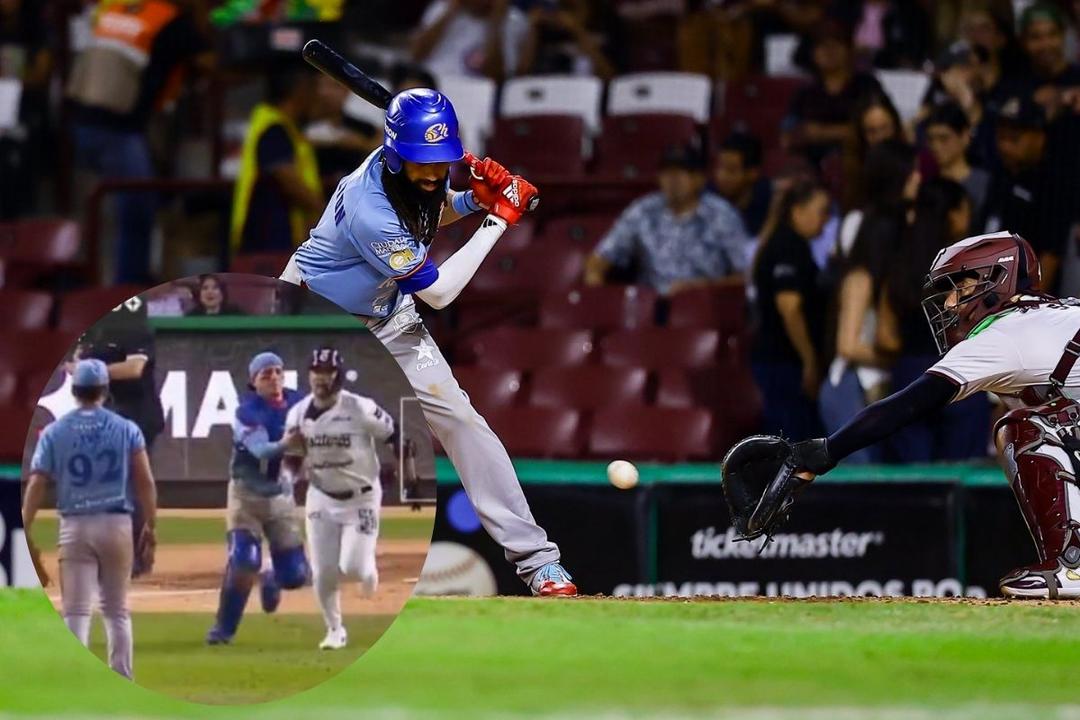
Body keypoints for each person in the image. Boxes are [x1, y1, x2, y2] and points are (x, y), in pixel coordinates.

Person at [280, 88, 577, 596]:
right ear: (395, 155)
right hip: (315, 325)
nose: (434, 172)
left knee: (461, 420)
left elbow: (427, 214)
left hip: (388, 318)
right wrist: (498, 218)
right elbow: (438, 293)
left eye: (441, 161)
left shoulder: (417, 174)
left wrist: (472, 200)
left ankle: (538, 561)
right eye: (423, 161)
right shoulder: (368, 205)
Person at [765, 231, 1080, 598]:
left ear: (997, 279)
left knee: (1025, 428)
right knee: (1053, 419)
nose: (949, 302)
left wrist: (823, 453)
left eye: (960, 286)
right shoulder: (1056, 313)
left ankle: (1071, 563)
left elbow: (909, 404)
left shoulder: (1005, 333)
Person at [22, 359, 157, 678]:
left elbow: (38, 482)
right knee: (117, 611)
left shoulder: (54, 431)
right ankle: (122, 677)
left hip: (75, 526)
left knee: (76, 611)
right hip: (117, 523)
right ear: (105, 390)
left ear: (74, 390)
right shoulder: (126, 428)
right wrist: (151, 524)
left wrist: (24, 526)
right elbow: (145, 481)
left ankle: (77, 680)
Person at [66, 0, 212, 283]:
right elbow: (210, 62)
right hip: (116, 128)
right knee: (137, 208)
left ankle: (100, 282)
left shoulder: (117, 7)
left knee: (103, 210)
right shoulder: (171, 20)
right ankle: (127, 287)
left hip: (80, 120)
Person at [283, 347, 396, 650]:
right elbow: (293, 458)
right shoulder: (298, 413)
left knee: (354, 567)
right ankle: (335, 629)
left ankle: (368, 570)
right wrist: (288, 478)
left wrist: (401, 468)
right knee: (323, 572)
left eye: (327, 372)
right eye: (316, 371)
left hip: (361, 498)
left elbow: (393, 433)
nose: (320, 378)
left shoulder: (360, 408)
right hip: (320, 496)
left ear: (339, 375)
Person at [875, 178, 989, 462]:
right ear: (953, 215)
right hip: (962, 374)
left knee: (914, 480)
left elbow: (885, 337)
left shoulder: (901, 262)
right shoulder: (972, 268)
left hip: (910, 377)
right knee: (962, 476)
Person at [206, 352, 310, 645]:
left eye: (278, 371)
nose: (274, 378)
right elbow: (261, 450)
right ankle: (224, 629)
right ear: (254, 382)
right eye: (266, 374)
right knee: (243, 560)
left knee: (295, 576)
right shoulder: (247, 412)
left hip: (281, 496)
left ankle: (272, 576)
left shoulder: (300, 403)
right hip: (247, 495)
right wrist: (287, 442)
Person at [585, 140, 749, 295]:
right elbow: (598, 260)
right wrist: (598, 292)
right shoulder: (643, 211)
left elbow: (744, 277)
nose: (673, 180)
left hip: (704, 303)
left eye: (681, 173)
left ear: (699, 179)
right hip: (651, 305)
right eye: (667, 173)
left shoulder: (722, 215)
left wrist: (702, 287)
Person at [73, 301, 165, 578]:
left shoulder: (136, 329)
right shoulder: (93, 333)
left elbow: (134, 368)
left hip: (138, 414)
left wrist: (93, 372)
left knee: (131, 484)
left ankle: (134, 556)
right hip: (106, 414)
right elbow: (76, 363)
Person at [751, 178, 832, 442]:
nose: (825, 219)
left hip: (780, 361)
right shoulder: (788, 246)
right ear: (797, 211)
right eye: (821, 211)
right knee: (789, 442)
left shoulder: (787, 243)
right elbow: (790, 308)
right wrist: (809, 360)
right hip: (784, 363)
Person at [230, 63, 324, 255]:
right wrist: (326, 213)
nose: (318, 97)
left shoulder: (284, 128)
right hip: (268, 243)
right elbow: (289, 180)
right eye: (313, 88)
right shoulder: (274, 129)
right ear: (300, 90)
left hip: (277, 242)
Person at [984, 94, 1075, 290]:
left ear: (1040, 138)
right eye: (1001, 137)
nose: (1004, 146)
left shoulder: (1052, 183)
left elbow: (1050, 256)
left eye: (1013, 138)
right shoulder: (1000, 174)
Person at [785, 18, 883, 167]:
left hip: (861, 160)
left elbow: (877, 129)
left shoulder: (867, 85)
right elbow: (787, 135)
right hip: (812, 165)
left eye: (836, 44)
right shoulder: (804, 91)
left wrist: (823, 133)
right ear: (812, 53)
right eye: (822, 45)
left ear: (848, 49)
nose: (829, 51)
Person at [410, 0, 529, 80]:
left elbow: (497, 78)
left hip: (475, 96)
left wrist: (495, 24)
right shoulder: (440, 8)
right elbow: (416, 56)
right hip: (432, 85)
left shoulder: (513, 21)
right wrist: (451, 10)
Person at [924, 102, 991, 232]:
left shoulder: (985, 186)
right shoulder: (926, 183)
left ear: (965, 136)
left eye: (943, 139)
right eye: (931, 140)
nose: (935, 147)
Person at [517, 0, 614, 79]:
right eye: (564, 8)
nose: (566, 15)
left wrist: (577, 31)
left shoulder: (602, 34)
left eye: (573, 9)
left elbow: (609, 77)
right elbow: (522, 75)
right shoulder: (546, 36)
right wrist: (533, 28)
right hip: (550, 91)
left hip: (587, 93)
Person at [712, 132, 773, 240]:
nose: (722, 176)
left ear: (753, 173)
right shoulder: (708, 198)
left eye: (731, 170)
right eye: (720, 168)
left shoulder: (770, 204)